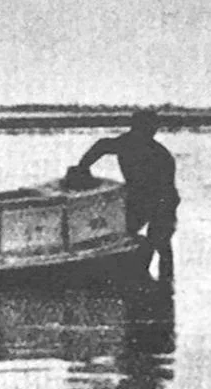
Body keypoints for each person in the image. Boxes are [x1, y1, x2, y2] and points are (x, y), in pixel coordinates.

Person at [72, 109, 179, 284]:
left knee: (159, 244)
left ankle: (161, 287)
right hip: (139, 199)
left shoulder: (158, 154)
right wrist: (82, 167)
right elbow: (101, 146)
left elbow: (168, 190)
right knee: (135, 240)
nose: (151, 131)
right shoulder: (129, 143)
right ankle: (145, 282)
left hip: (161, 201)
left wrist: (83, 166)